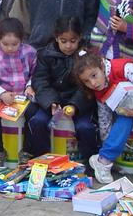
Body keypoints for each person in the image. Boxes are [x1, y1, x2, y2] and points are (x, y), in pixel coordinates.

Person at [74, 51, 133, 185]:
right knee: (124, 120)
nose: (93, 83)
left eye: (94, 75)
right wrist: (106, 142)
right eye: (86, 81)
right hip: (126, 107)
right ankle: (104, 161)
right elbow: (104, 117)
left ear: (102, 67)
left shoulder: (123, 67)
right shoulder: (98, 90)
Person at [29, 17, 93, 159]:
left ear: (80, 38)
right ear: (57, 38)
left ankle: (89, 162)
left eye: (73, 41)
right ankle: (42, 159)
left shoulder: (85, 56)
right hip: (52, 101)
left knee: (85, 128)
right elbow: (40, 81)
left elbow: (88, 85)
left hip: (78, 102)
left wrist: (74, 105)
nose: (68, 46)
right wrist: (51, 102)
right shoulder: (46, 54)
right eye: (64, 41)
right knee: (37, 122)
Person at [0, 18, 37, 165]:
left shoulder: (30, 52)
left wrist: (30, 86)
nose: (10, 48)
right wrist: (1, 94)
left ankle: (27, 150)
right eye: (5, 44)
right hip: (2, 96)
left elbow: (35, 74)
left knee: (34, 114)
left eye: (14, 44)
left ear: (21, 40)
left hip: (24, 95)